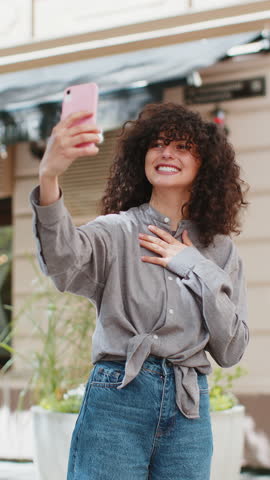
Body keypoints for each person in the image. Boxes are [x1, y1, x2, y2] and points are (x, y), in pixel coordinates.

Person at [29, 102, 250, 480]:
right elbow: (62, 264)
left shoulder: (220, 250)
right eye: (158, 144)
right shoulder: (116, 231)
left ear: (205, 166)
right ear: (141, 158)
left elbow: (230, 349)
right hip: (118, 399)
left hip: (188, 409)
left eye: (182, 146)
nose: (166, 152)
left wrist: (192, 264)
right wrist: (49, 176)